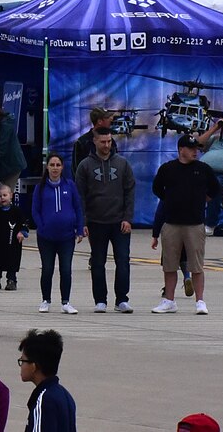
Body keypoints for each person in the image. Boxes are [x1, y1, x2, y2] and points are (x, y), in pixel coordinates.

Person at [150, 134, 222, 315]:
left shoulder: (203, 169)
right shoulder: (168, 169)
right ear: (181, 149)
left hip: (195, 224)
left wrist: (202, 199)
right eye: (191, 148)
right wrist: (171, 200)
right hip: (172, 223)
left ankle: (200, 301)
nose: (195, 152)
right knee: (169, 264)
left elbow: (215, 188)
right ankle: (169, 300)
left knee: (196, 265)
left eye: (196, 149)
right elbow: (157, 188)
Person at [75, 128, 135, 313]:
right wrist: (82, 222)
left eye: (109, 141)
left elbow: (130, 191)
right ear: (95, 142)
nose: (107, 145)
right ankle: (100, 300)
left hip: (119, 222)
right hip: (96, 222)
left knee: (123, 261)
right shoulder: (85, 166)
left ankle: (122, 300)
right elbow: (80, 196)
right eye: (103, 142)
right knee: (98, 262)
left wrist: (127, 218)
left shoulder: (122, 164)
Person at [28, 154, 83, 314]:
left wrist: (79, 228)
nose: (55, 168)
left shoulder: (69, 186)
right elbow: (35, 210)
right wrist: (41, 225)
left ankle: (66, 302)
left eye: (58, 165)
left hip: (67, 236)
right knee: (47, 269)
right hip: (46, 237)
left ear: (62, 167)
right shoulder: (41, 187)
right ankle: (46, 300)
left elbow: (78, 208)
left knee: (66, 269)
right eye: (52, 165)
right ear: (47, 167)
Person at [13, 329, 75, 432]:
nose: (21, 366)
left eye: (23, 361)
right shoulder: (65, 395)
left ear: (33, 366)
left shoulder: (44, 400)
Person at [0, 182, 27, 291]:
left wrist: (22, 232)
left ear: (11, 196)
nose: (2, 198)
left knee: (12, 262)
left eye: (5, 195)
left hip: (13, 243)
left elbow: (23, 224)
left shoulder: (16, 211)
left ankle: (11, 280)